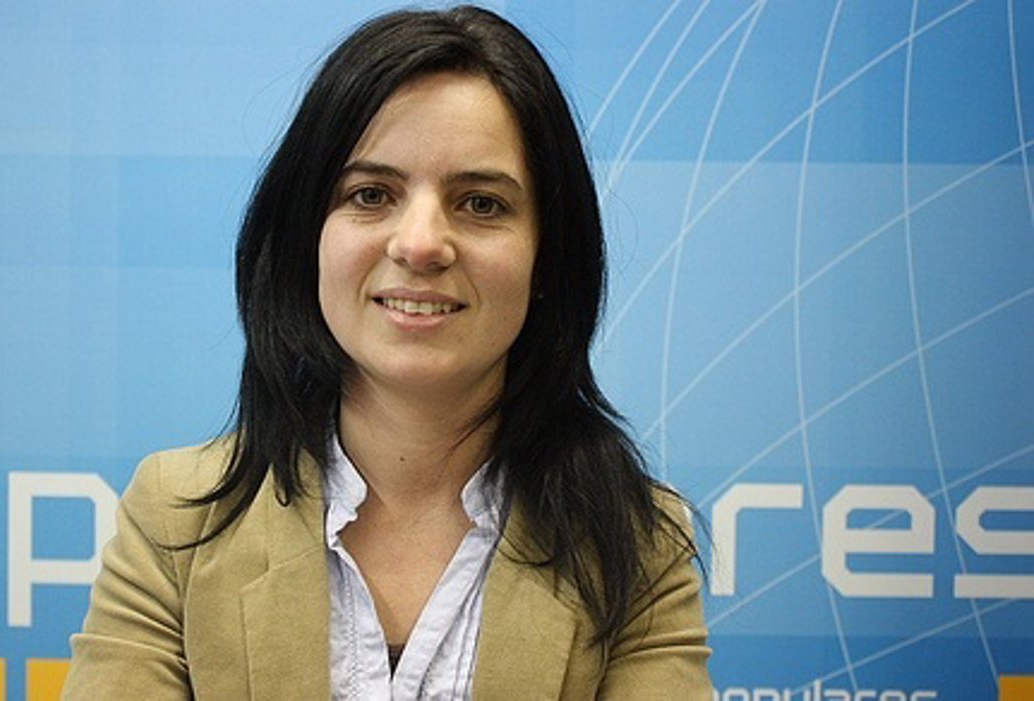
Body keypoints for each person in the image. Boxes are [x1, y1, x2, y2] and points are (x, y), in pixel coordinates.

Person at [63, 5, 711, 699]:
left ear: (547, 256)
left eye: (481, 203)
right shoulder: (176, 516)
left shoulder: (636, 543)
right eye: (371, 194)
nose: (421, 244)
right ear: (307, 237)